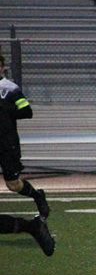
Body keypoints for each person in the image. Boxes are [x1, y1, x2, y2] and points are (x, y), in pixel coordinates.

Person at [1, 51, 50, 219]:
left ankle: (37, 196)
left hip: (6, 142)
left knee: (13, 185)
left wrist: (6, 110)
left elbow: (27, 111)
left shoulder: (10, 88)